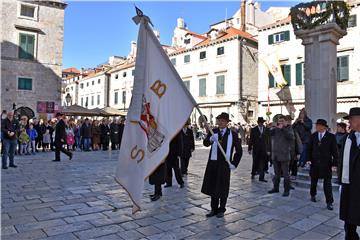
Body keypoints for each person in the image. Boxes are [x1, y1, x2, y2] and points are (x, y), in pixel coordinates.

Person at [201, 113, 242, 218]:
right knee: (213, 186)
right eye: (219, 120)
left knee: (223, 186)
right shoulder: (213, 132)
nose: (220, 122)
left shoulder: (232, 134)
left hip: (225, 164)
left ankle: (221, 209)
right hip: (213, 163)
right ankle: (213, 209)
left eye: (223, 121)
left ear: (227, 122)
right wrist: (210, 140)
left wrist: (234, 163)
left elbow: (239, 151)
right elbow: (205, 143)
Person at [338, 107, 360, 240]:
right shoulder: (347, 139)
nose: (349, 122)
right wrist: (341, 181)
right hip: (350, 186)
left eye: (351, 119)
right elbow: (342, 162)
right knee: (349, 221)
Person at [307, 119, 338, 210]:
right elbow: (309, 149)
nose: (317, 127)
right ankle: (313, 195)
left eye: (319, 125)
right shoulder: (313, 136)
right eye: (316, 125)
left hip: (326, 164)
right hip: (314, 163)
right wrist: (308, 159)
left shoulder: (331, 137)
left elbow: (335, 151)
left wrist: (334, 164)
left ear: (324, 127)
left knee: (327, 184)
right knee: (313, 182)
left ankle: (329, 202)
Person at [268, 115, 295, 197]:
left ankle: (286, 190)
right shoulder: (276, 129)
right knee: (277, 174)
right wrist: (271, 127)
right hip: (275, 154)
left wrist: (283, 128)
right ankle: (275, 188)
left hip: (284, 155)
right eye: (279, 121)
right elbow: (269, 133)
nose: (281, 123)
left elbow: (291, 137)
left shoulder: (289, 128)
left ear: (286, 122)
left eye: (282, 121)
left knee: (286, 174)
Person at [248, 117, 270, 182]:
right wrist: (249, 148)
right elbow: (251, 139)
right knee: (255, 162)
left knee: (262, 163)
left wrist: (268, 149)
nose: (261, 124)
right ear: (258, 123)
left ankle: (261, 177)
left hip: (264, 149)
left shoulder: (266, 129)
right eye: (260, 122)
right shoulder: (253, 129)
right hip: (256, 149)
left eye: (262, 122)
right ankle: (253, 173)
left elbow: (268, 140)